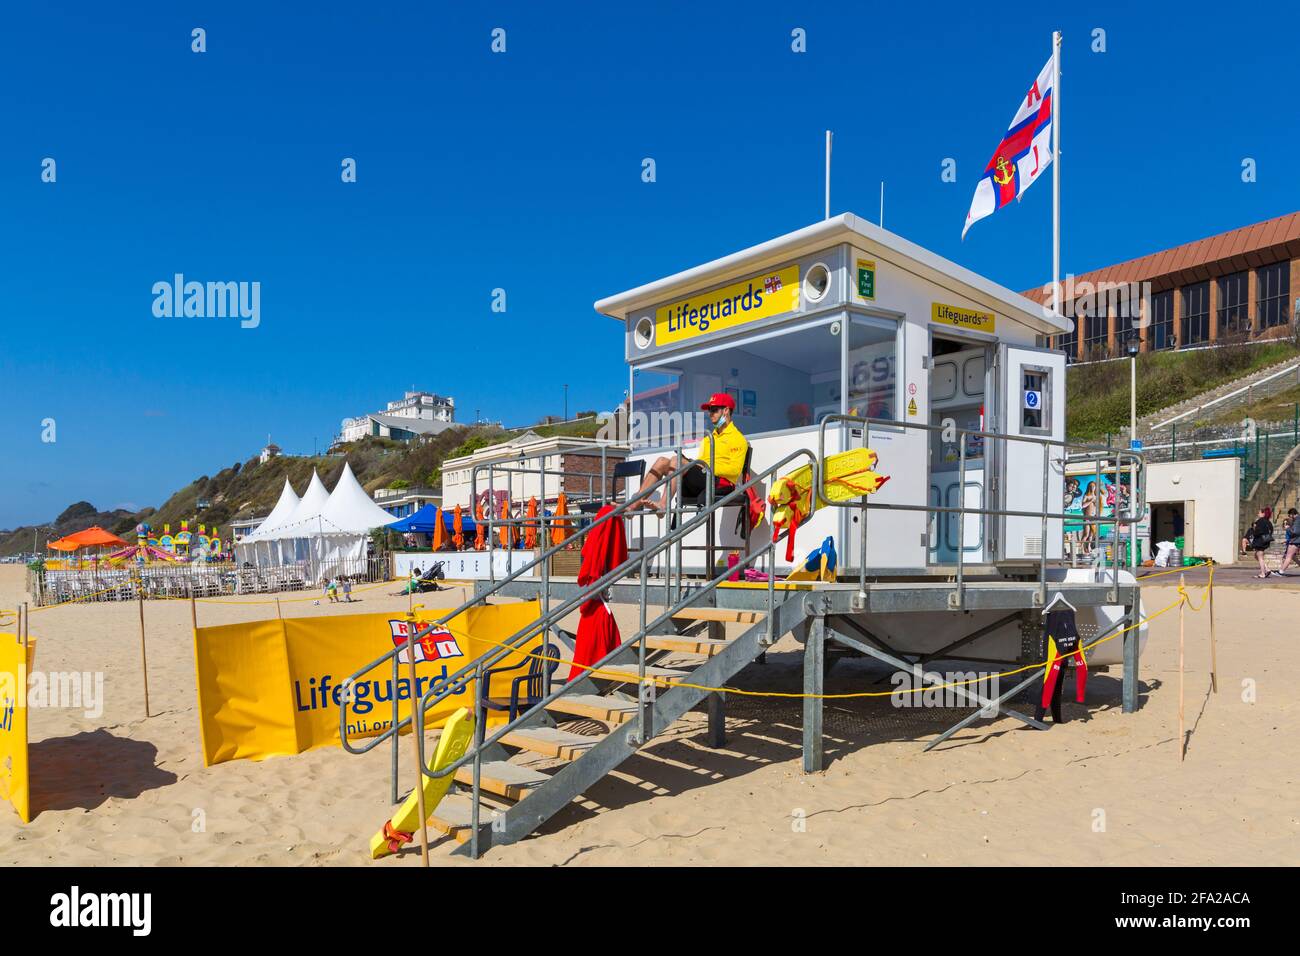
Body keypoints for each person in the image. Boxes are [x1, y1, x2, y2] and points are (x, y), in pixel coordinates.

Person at [631, 392, 748, 512]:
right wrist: (696, 464)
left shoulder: (738, 439)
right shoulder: (709, 438)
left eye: (714, 410)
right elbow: (702, 462)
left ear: (726, 411)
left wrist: (705, 466)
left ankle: (663, 504)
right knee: (662, 461)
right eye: (709, 410)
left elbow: (734, 471)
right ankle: (633, 506)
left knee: (677, 461)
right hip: (704, 477)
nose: (710, 414)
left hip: (720, 483)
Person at [1244, 507, 1274, 579]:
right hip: (1266, 541)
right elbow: (1271, 530)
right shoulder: (1269, 522)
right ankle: (1267, 569)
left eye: (1259, 512)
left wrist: (1254, 532)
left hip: (1260, 541)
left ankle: (1263, 573)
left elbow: (1257, 532)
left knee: (1260, 557)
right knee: (1256, 556)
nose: (1258, 514)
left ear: (1263, 513)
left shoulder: (1260, 521)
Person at [1275, 508, 1299, 576]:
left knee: (1288, 556)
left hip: (1295, 541)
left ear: (1292, 514)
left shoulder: (1297, 520)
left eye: (1289, 515)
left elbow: (1295, 532)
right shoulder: (1297, 520)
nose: (1289, 517)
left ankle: (1281, 571)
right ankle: (1281, 570)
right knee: (1291, 556)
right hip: (1296, 540)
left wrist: (1288, 528)